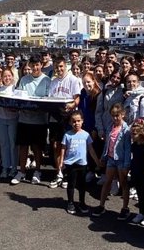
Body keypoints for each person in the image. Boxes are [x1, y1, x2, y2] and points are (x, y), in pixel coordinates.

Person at [11, 54, 50, 185]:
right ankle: (21, 171)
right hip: (24, 119)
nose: (34, 67)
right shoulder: (23, 79)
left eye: (37, 65)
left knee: (37, 147)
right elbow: (19, 96)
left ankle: (37, 171)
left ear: (41, 65)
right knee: (23, 147)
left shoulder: (46, 80)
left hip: (40, 120)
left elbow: (48, 100)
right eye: (32, 65)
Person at [92, 103, 132, 219]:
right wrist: (103, 156)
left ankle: (125, 208)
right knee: (107, 181)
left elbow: (127, 149)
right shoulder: (110, 127)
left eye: (117, 115)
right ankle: (101, 205)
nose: (115, 118)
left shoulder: (126, 130)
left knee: (123, 183)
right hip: (110, 159)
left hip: (121, 160)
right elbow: (107, 144)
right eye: (113, 115)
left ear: (123, 115)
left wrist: (126, 165)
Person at [48, 56, 82, 189]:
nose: (59, 69)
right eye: (56, 66)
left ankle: (68, 174)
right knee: (56, 146)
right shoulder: (53, 82)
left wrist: (71, 106)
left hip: (68, 117)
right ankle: (59, 173)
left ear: (65, 66)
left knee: (68, 147)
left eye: (61, 66)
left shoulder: (73, 80)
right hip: (55, 116)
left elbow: (77, 99)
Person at [61, 111, 100, 215]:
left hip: (82, 164)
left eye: (78, 121)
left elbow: (91, 149)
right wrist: (61, 163)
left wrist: (97, 162)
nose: (76, 123)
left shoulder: (86, 135)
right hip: (70, 164)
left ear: (82, 121)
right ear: (70, 122)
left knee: (82, 185)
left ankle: (82, 202)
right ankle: (70, 202)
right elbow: (63, 149)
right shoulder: (67, 135)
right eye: (73, 121)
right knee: (71, 184)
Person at [0, 68, 19, 180]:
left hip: (13, 118)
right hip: (1, 118)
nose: (7, 78)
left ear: (12, 77)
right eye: (5, 76)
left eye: (9, 76)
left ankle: (14, 168)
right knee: (3, 144)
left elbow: (19, 105)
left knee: (13, 144)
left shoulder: (16, 89)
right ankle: (5, 167)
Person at [129, 120, 144, 225]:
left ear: (142, 133)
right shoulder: (134, 145)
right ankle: (141, 212)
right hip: (136, 172)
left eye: (135, 133)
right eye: (132, 133)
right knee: (140, 193)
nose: (133, 136)